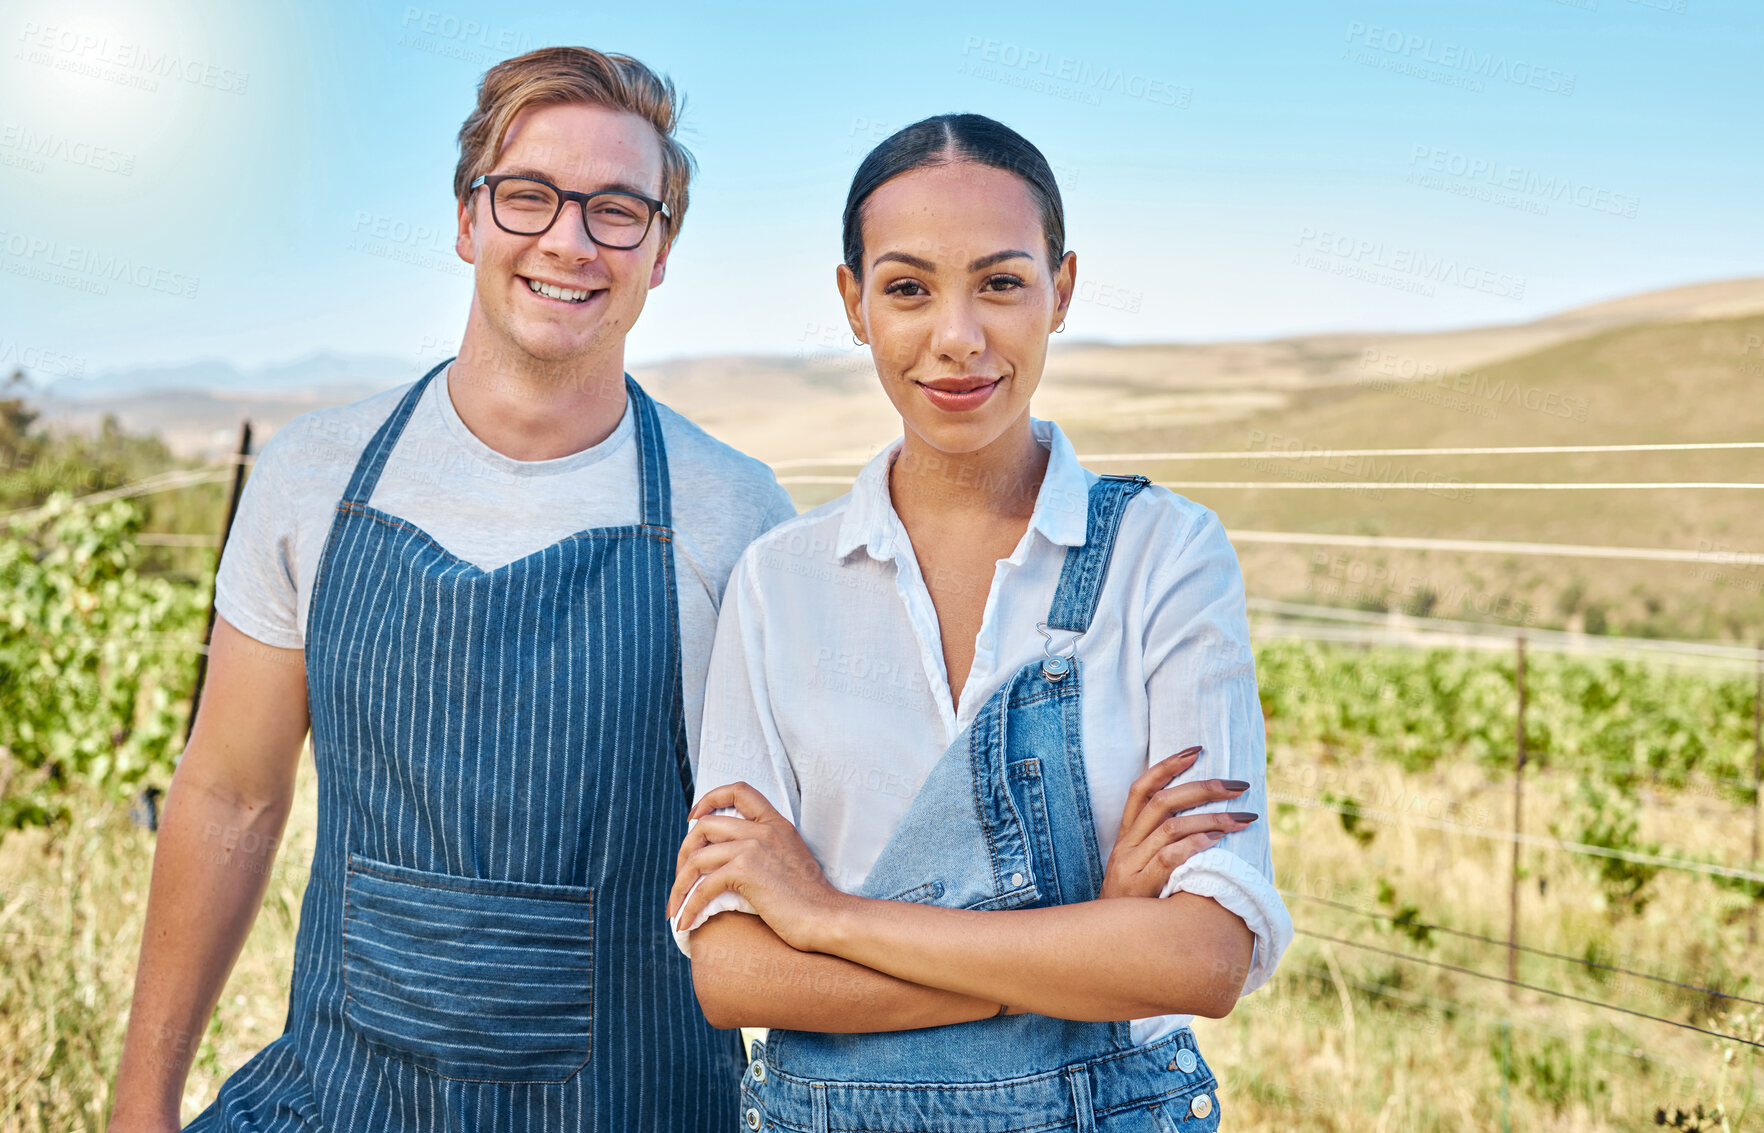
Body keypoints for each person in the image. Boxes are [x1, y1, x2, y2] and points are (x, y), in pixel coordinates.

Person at [107, 47, 792, 1133]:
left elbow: (791, 864)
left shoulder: (735, 517)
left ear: (660, 251)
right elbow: (232, 795)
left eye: (619, 210)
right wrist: (140, 1106)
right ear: (468, 219)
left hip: (635, 1107)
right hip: (337, 1101)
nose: (568, 239)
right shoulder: (312, 477)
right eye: (529, 195)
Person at [667, 114, 1292, 1132]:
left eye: (1000, 281)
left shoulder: (1165, 555)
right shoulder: (778, 582)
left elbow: (1201, 955)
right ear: (853, 302)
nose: (956, 335)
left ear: (1064, 287)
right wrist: (1085, 938)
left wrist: (828, 916)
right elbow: (735, 974)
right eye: (908, 287)